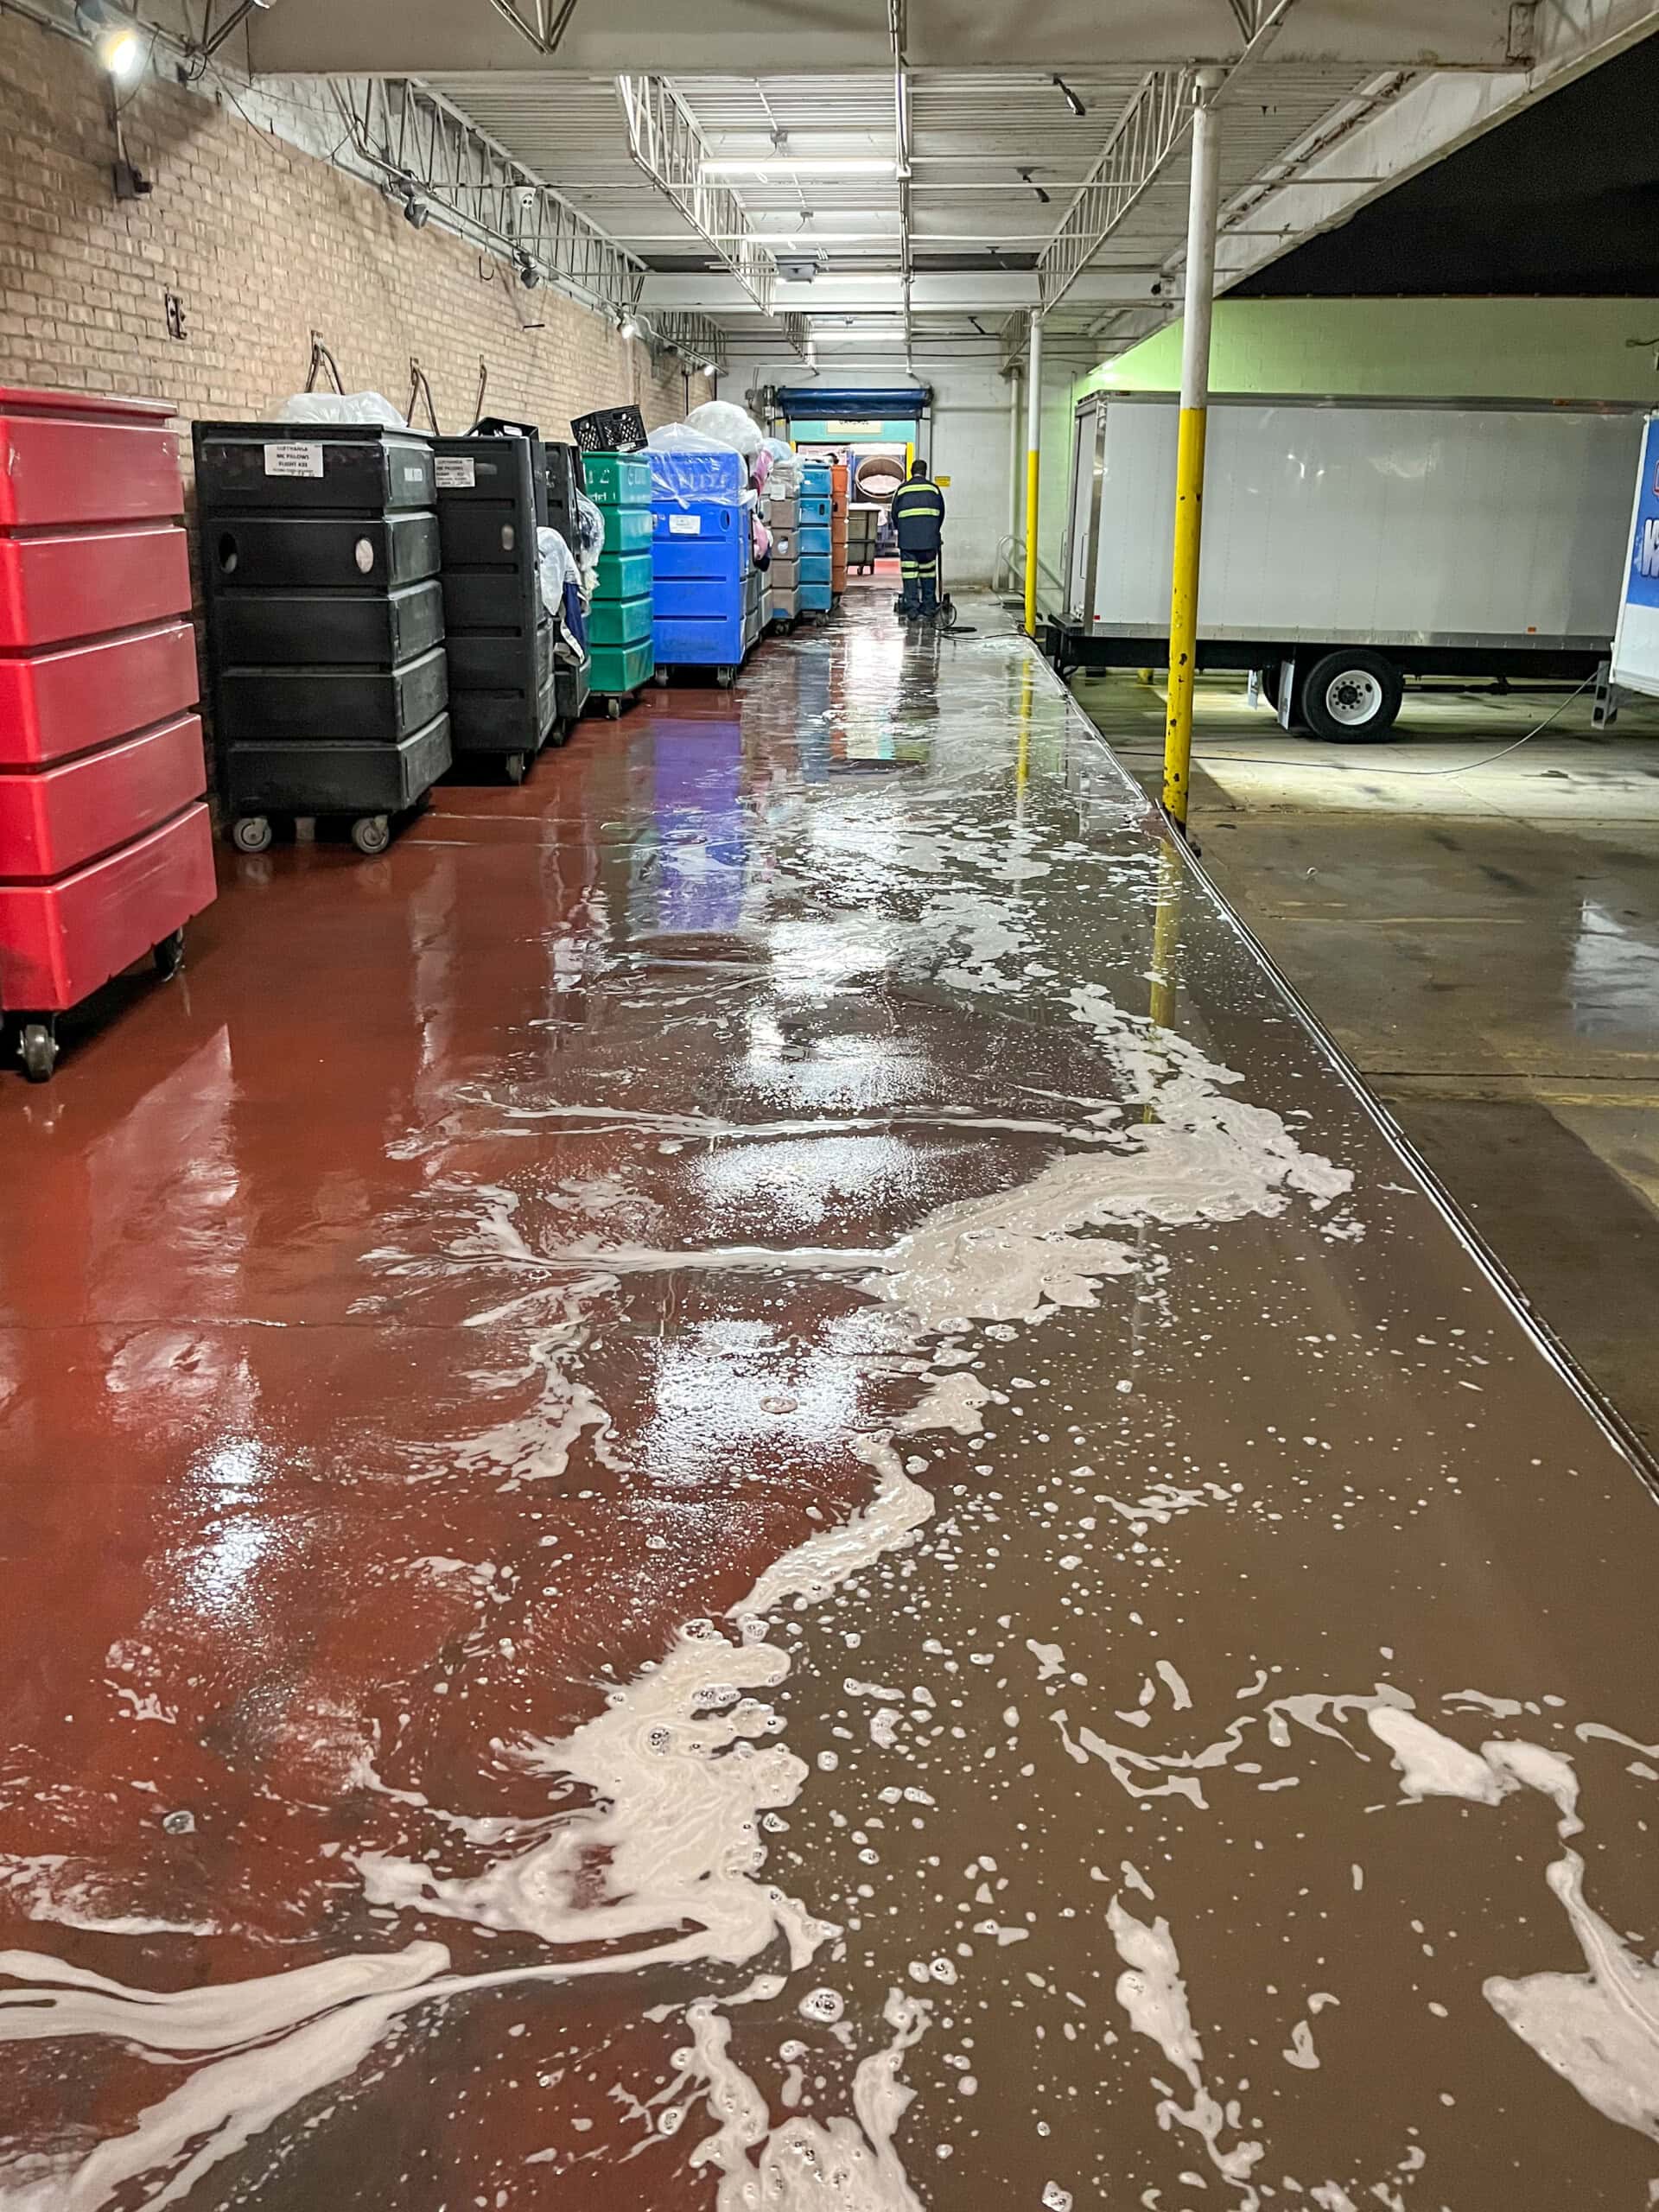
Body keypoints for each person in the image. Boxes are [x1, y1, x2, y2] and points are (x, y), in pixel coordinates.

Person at [890, 458, 945, 621]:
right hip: (929, 542)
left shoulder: (902, 491)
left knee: (910, 576)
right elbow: (941, 514)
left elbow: (894, 515)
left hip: (908, 542)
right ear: (925, 471)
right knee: (928, 575)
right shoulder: (934, 490)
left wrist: (904, 531)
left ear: (911, 472)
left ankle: (912, 608)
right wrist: (933, 532)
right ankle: (928, 607)